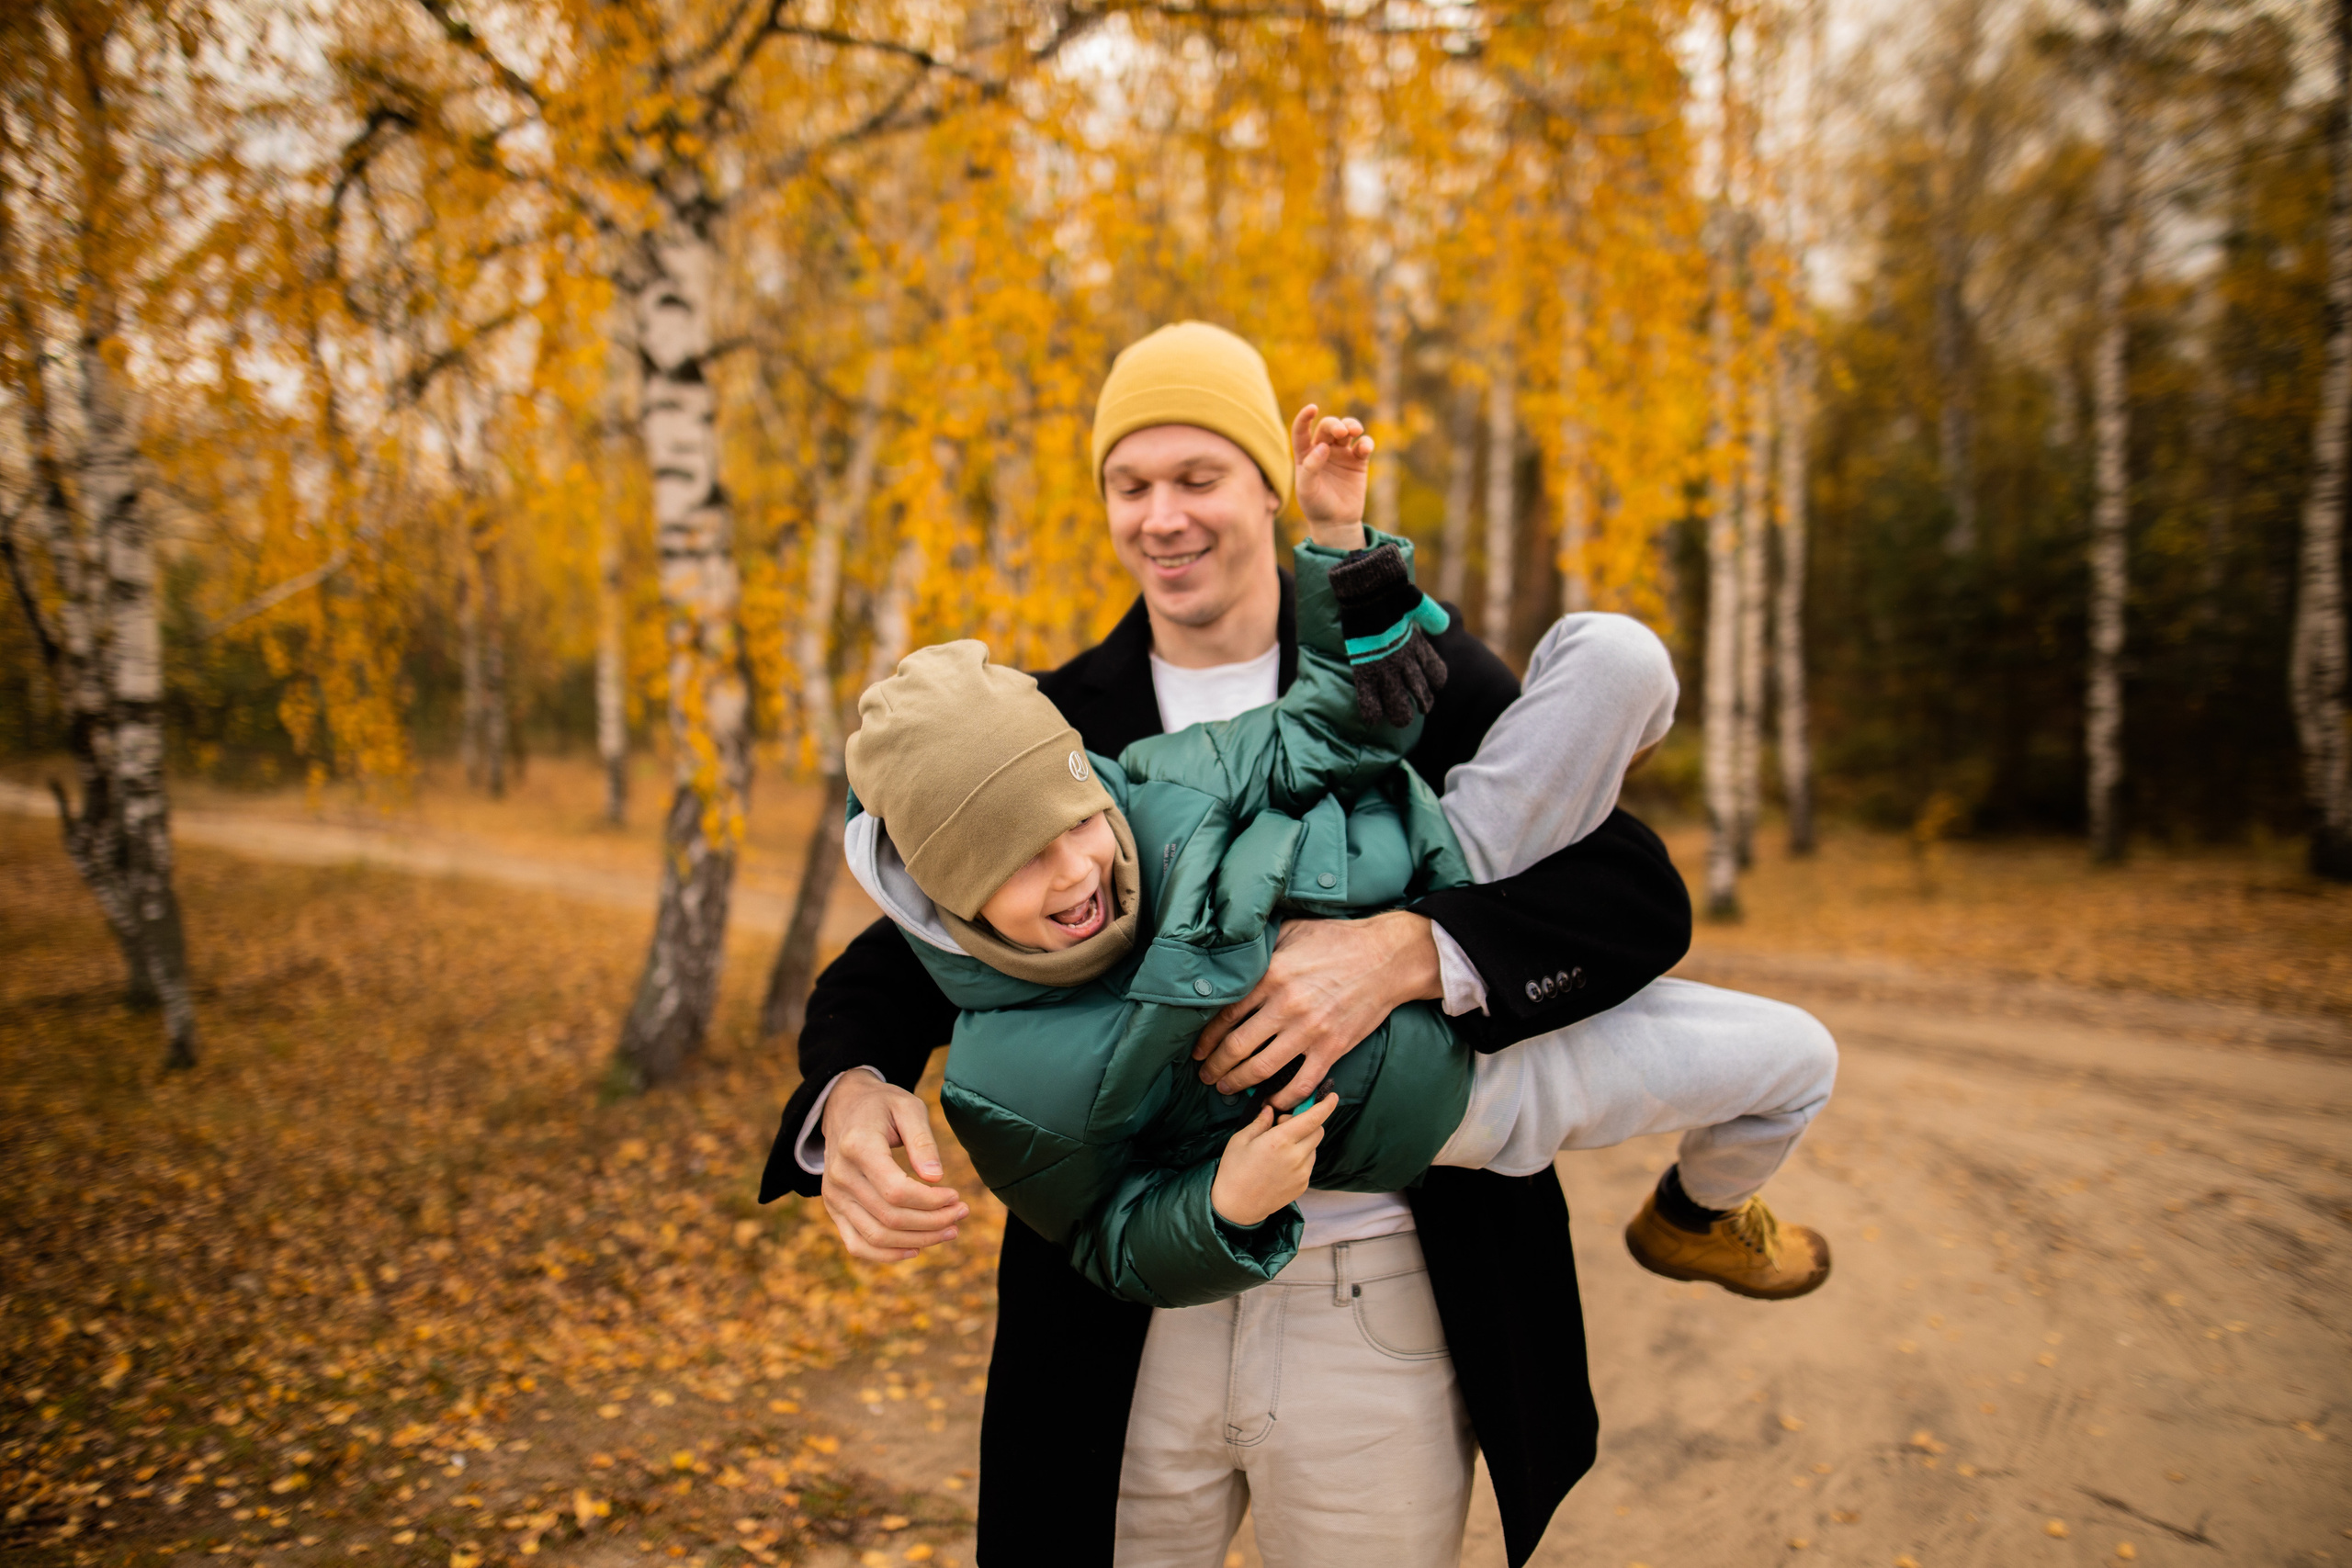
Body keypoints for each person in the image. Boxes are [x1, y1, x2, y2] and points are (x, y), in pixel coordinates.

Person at [759, 321, 1836, 1567]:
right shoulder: (1050, 729)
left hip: (1384, 1297)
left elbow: (1631, 893)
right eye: (1131, 483)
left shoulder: (1410, 673)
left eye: (1197, 476)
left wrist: (1407, 950)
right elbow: (898, 963)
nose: (1162, 516)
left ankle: (1703, 1210)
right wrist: (848, 1090)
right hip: (1127, 1325)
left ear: (1269, 482)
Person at [834, 529, 1835, 1314]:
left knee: (1615, 653)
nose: (1070, 872)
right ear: (952, 897)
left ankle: (1601, 767)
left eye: (1073, 823)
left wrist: (1341, 551)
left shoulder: (1163, 774)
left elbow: (1335, 724)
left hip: (1454, 860)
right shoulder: (1004, 1085)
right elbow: (1109, 1237)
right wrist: (1225, 1204)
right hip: (1467, 1090)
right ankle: (1692, 1221)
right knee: (1799, 1060)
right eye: (1013, 865)